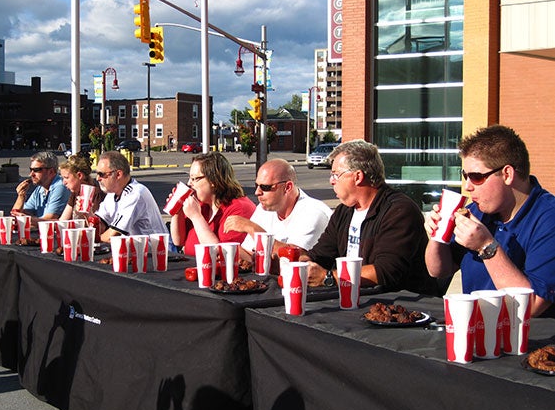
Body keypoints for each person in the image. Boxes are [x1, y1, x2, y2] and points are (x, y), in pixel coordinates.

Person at [424, 125, 555, 316]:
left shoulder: (548, 219)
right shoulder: (478, 212)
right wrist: (438, 235)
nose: (467, 186)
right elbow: (438, 270)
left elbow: (532, 305)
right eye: (465, 176)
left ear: (507, 174)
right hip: (476, 331)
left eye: (476, 177)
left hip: (528, 340)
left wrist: (486, 247)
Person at [300, 139, 439, 295]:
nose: (331, 181)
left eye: (336, 175)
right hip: (352, 298)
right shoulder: (343, 211)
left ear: (358, 176)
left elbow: (385, 271)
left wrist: (328, 277)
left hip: (398, 306)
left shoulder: (399, 211)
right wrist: (304, 263)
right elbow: (321, 254)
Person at [223, 158, 332, 261]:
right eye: (256, 185)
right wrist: (223, 251)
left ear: (287, 187)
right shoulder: (263, 209)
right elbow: (250, 256)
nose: (257, 192)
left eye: (265, 187)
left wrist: (253, 229)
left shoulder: (313, 212)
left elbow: (296, 259)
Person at [169, 151, 256, 256]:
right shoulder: (202, 205)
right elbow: (178, 241)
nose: (189, 184)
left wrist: (196, 217)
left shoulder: (239, 208)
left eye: (194, 179)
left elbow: (224, 255)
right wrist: (177, 210)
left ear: (213, 180)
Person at [94, 150, 168, 243]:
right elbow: (99, 224)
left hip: (157, 252)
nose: (97, 178)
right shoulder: (112, 194)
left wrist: (90, 238)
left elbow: (113, 236)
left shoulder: (135, 194)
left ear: (118, 174)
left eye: (101, 174)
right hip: (136, 251)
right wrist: (86, 213)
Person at [11, 151, 70, 227]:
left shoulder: (60, 187)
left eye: (36, 170)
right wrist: (21, 196)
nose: (31, 174)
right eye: (30, 170)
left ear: (51, 171)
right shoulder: (40, 189)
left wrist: (27, 219)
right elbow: (15, 216)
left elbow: (48, 221)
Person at [58, 155, 106, 221]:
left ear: (79, 175)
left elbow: (97, 224)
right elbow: (63, 220)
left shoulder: (97, 194)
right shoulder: (75, 193)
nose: (64, 182)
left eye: (66, 178)